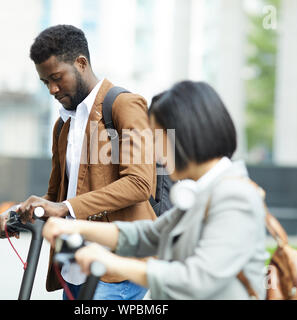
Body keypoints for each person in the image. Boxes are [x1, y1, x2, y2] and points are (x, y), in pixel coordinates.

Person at [43, 81, 269, 300]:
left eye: (158, 138)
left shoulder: (234, 196)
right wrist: (73, 226)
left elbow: (196, 280)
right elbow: (148, 235)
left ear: (187, 136)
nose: (155, 154)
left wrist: (110, 261)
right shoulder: (205, 191)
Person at [0, 25, 156, 300]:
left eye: (57, 78)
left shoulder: (123, 105)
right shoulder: (62, 125)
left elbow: (139, 183)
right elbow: (56, 198)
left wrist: (64, 207)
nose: (52, 89)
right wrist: (19, 212)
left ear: (81, 63)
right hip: (75, 267)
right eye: (45, 82)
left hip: (117, 269)